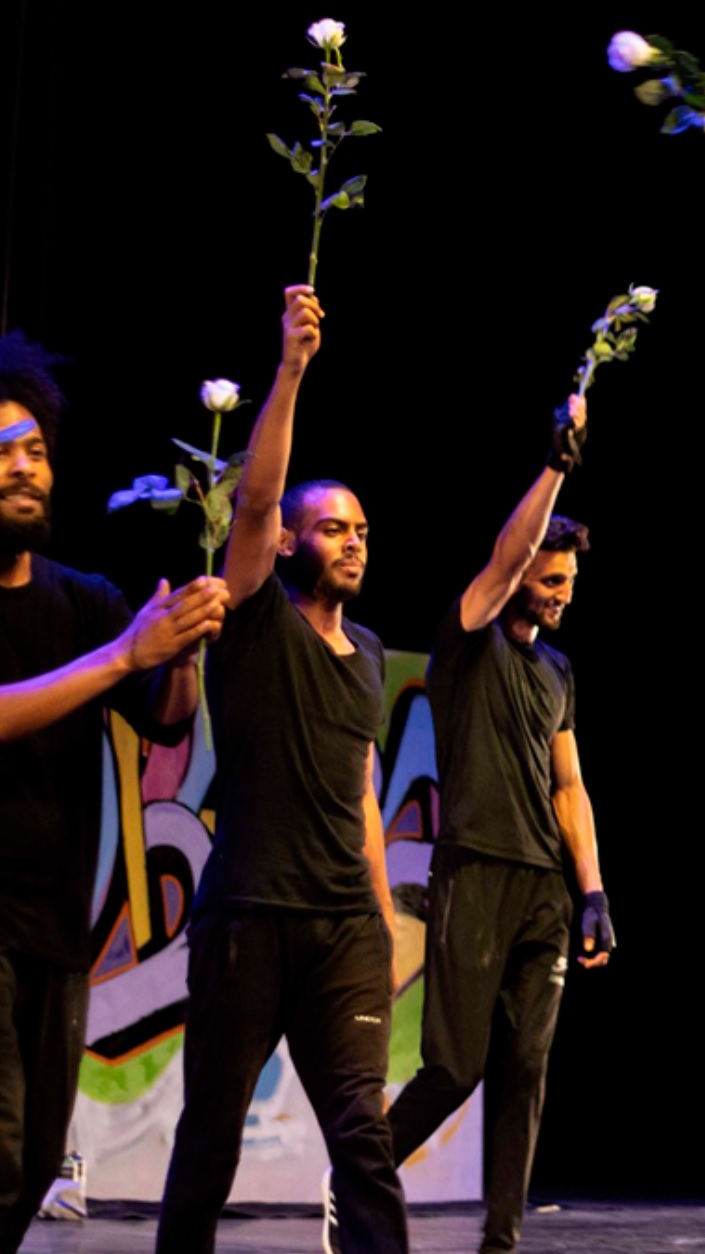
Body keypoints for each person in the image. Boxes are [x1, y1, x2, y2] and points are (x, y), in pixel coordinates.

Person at [155, 287, 411, 1254]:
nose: (354, 542)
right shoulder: (256, 619)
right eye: (335, 528)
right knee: (210, 1141)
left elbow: (360, 791)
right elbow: (255, 500)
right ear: (293, 542)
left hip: (343, 929)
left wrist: (380, 917)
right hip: (249, 921)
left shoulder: (371, 653)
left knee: (364, 1139)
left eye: (362, 531)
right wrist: (292, 368)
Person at [0, 334, 222, 1252]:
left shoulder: (85, 599)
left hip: (57, 927)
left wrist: (182, 652)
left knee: (33, 1164)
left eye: (35, 449)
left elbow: (166, 720)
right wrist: (125, 654)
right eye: (3, 451)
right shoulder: (102, 633)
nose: (24, 466)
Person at [382, 394, 610, 1254]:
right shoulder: (467, 638)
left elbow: (569, 784)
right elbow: (504, 559)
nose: (563, 595)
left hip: (544, 887)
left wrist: (593, 891)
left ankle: (502, 1241)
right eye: (551, 581)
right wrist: (556, 465)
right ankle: (359, 1175)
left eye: (571, 583)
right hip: (474, 870)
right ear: (519, 575)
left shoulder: (558, 670)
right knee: (454, 1068)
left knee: (527, 1068)